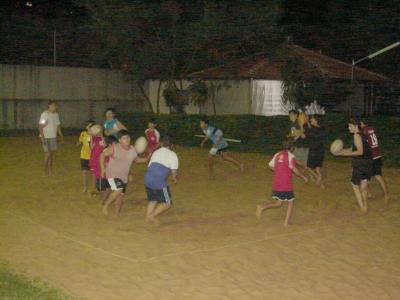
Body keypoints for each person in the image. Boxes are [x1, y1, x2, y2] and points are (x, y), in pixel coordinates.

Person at [256, 138, 308, 226]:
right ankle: (286, 222)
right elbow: (294, 169)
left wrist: (279, 170)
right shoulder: (291, 156)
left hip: (277, 182)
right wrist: (303, 177)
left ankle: (262, 207)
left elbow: (270, 166)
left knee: (278, 203)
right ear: (292, 148)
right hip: (285, 184)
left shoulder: (277, 154)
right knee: (291, 201)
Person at [100, 130, 148, 217]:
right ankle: (105, 206)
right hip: (112, 174)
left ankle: (116, 214)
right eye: (124, 138)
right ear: (119, 140)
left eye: (128, 137)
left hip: (123, 176)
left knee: (120, 197)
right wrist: (103, 169)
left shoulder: (133, 149)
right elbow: (102, 155)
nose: (127, 139)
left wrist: (145, 159)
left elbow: (136, 159)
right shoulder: (114, 148)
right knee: (119, 189)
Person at [334, 118, 373, 214]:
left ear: (356, 126)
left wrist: (342, 154)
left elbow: (359, 152)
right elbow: (353, 149)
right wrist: (341, 151)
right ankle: (365, 205)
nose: (348, 128)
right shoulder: (362, 134)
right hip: (368, 162)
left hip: (360, 163)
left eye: (350, 126)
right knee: (363, 185)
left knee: (355, 185)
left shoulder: (356, 135)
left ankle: (362, 207)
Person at [144, 136, 178, 224]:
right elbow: (174, 173)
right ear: (172, 145)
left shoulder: (156, 152)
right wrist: (174, 179)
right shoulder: (173, 155)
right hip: (158, 180)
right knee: (167, 203)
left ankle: (147, 220)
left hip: (147, 178)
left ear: (161, 144)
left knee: (153, 200)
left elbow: (149, 166)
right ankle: (152, 216)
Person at [360, 118, 388, 203]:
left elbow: (363, 144)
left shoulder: (364, 131)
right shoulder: (372, 129)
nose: (360, 125)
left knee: (363, 176)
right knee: (378, 176)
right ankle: (386, 194)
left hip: (371, 157)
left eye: (361, 123)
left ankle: (368, 194)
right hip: (377, 155)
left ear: (363, 124)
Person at [38, 100, 64, 175]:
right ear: (49, 106)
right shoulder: (44, 114)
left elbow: (58, 126)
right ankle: (44, 169)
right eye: (53, 106)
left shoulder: (56, 115)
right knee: (48, 153)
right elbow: (40, 127)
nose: (55, 107)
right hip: (45, 137)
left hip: (53, 137)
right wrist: (42, 137)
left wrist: (61, 136)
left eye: (55, 106)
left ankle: (50, 170)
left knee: (51, 154)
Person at [305, 115, 326, 188]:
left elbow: (307, 134)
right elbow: (311, 129)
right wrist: (307, 122)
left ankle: (318, 178)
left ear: (316, 121)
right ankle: (321, 184)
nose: (311, 120)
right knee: (317, 168)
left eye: (312, 119)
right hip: (321, 151)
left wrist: (304, 129)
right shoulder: (321, 129)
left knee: (308, 167)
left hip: (314, 151)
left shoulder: (314, 130)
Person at [88, 124, 107, 194]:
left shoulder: (102, 139)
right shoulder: (93, 139)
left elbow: (105, 145)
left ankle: (102, 188)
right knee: (94, 174)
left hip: (101, 160)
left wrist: (101, 135)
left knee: (101, 174)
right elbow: (91, 147)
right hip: (94, 160)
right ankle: (93, 189)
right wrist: (91, 135)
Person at [76, 120, 94, 192]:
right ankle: (85, 186)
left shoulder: (95, 136)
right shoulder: (83, 134)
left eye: (91, 126)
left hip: (92, 156)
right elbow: (79, 142)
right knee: (84, 172)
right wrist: (77, 143)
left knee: (92, 172)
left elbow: (93, 147)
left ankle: (93, 187)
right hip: (83, 155)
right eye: (88, 126)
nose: (89, 128)